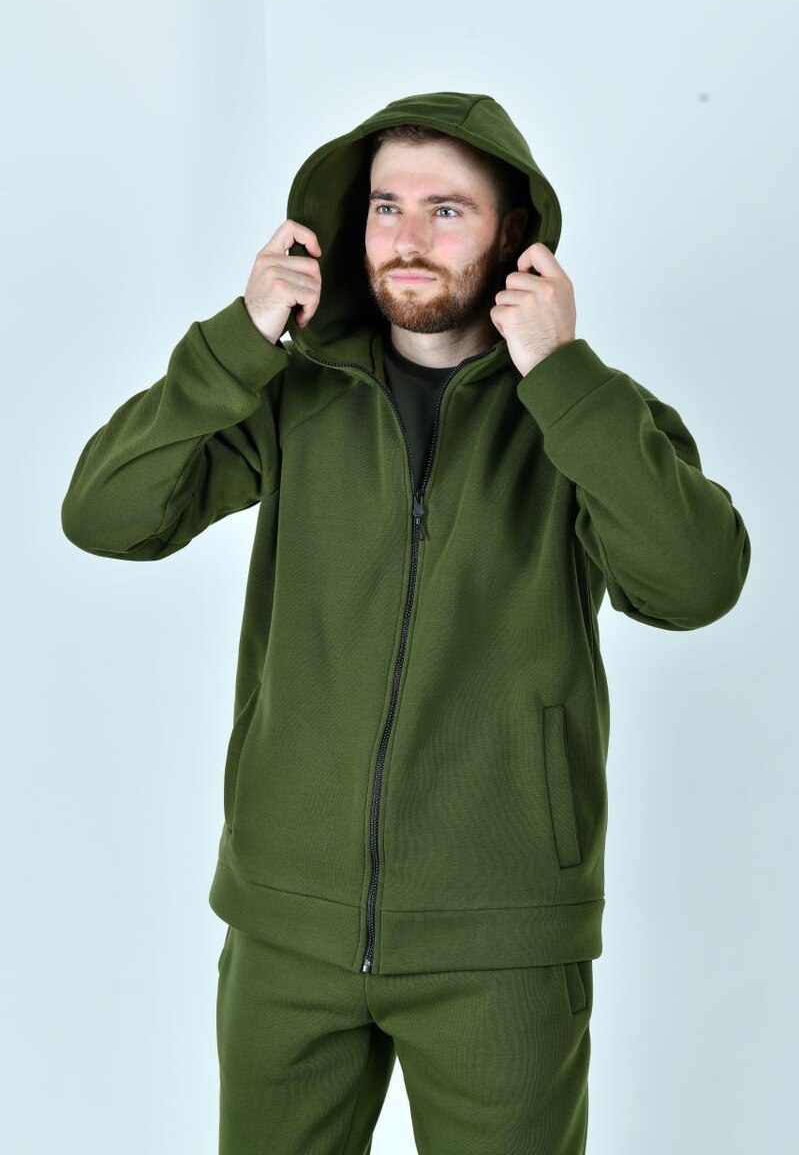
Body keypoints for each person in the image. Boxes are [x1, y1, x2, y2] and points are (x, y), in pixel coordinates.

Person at [61, 90, 751, 1154]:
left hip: (502, 945)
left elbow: (694, 584)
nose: (408, 239)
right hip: (286, 930)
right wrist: (237, 342)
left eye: (447, 211)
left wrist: (563, 377)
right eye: (386, 207)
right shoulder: (289, 397)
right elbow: (105, 516)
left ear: (514, 239)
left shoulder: (585, 416)